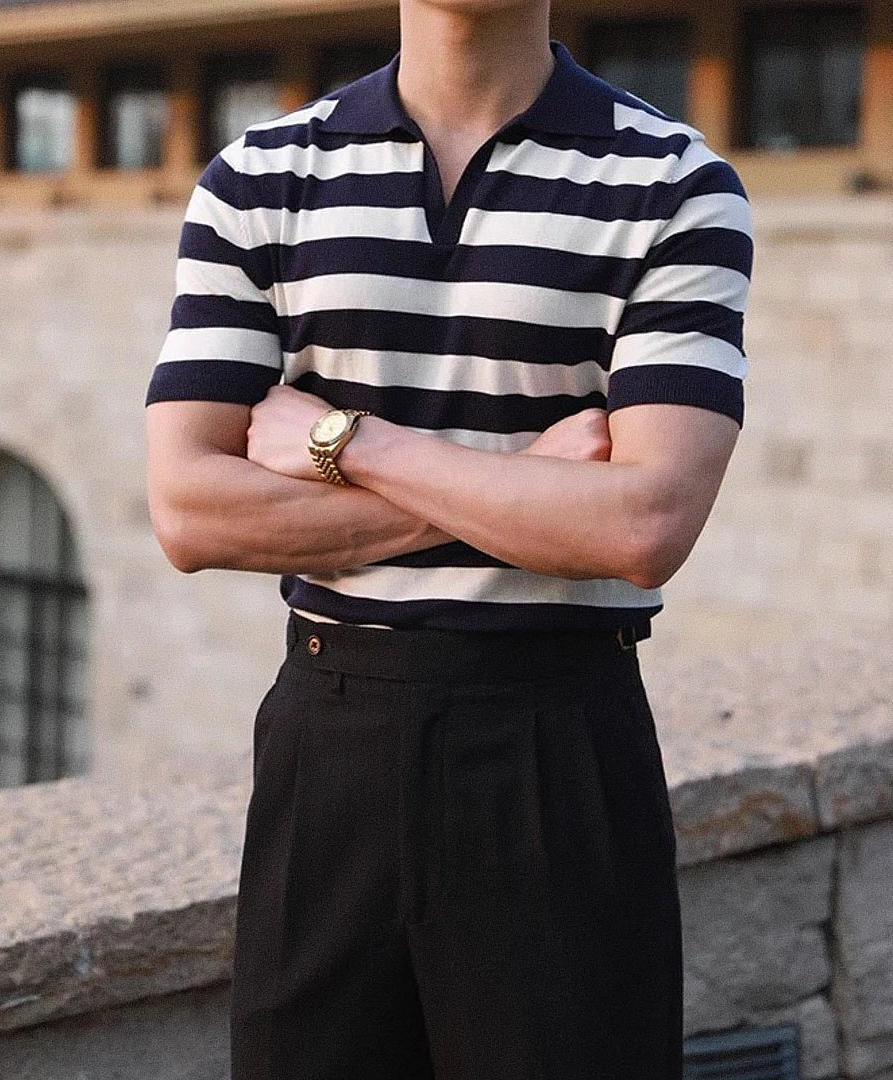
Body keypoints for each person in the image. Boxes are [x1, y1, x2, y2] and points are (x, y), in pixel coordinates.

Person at [144, 0, 753, 1076]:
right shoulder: (259, 178)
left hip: (558, 740)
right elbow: (191, 511)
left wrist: (350, 443)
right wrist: (526, 490)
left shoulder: (675, 182)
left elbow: (647, 524)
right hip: (329, 737)